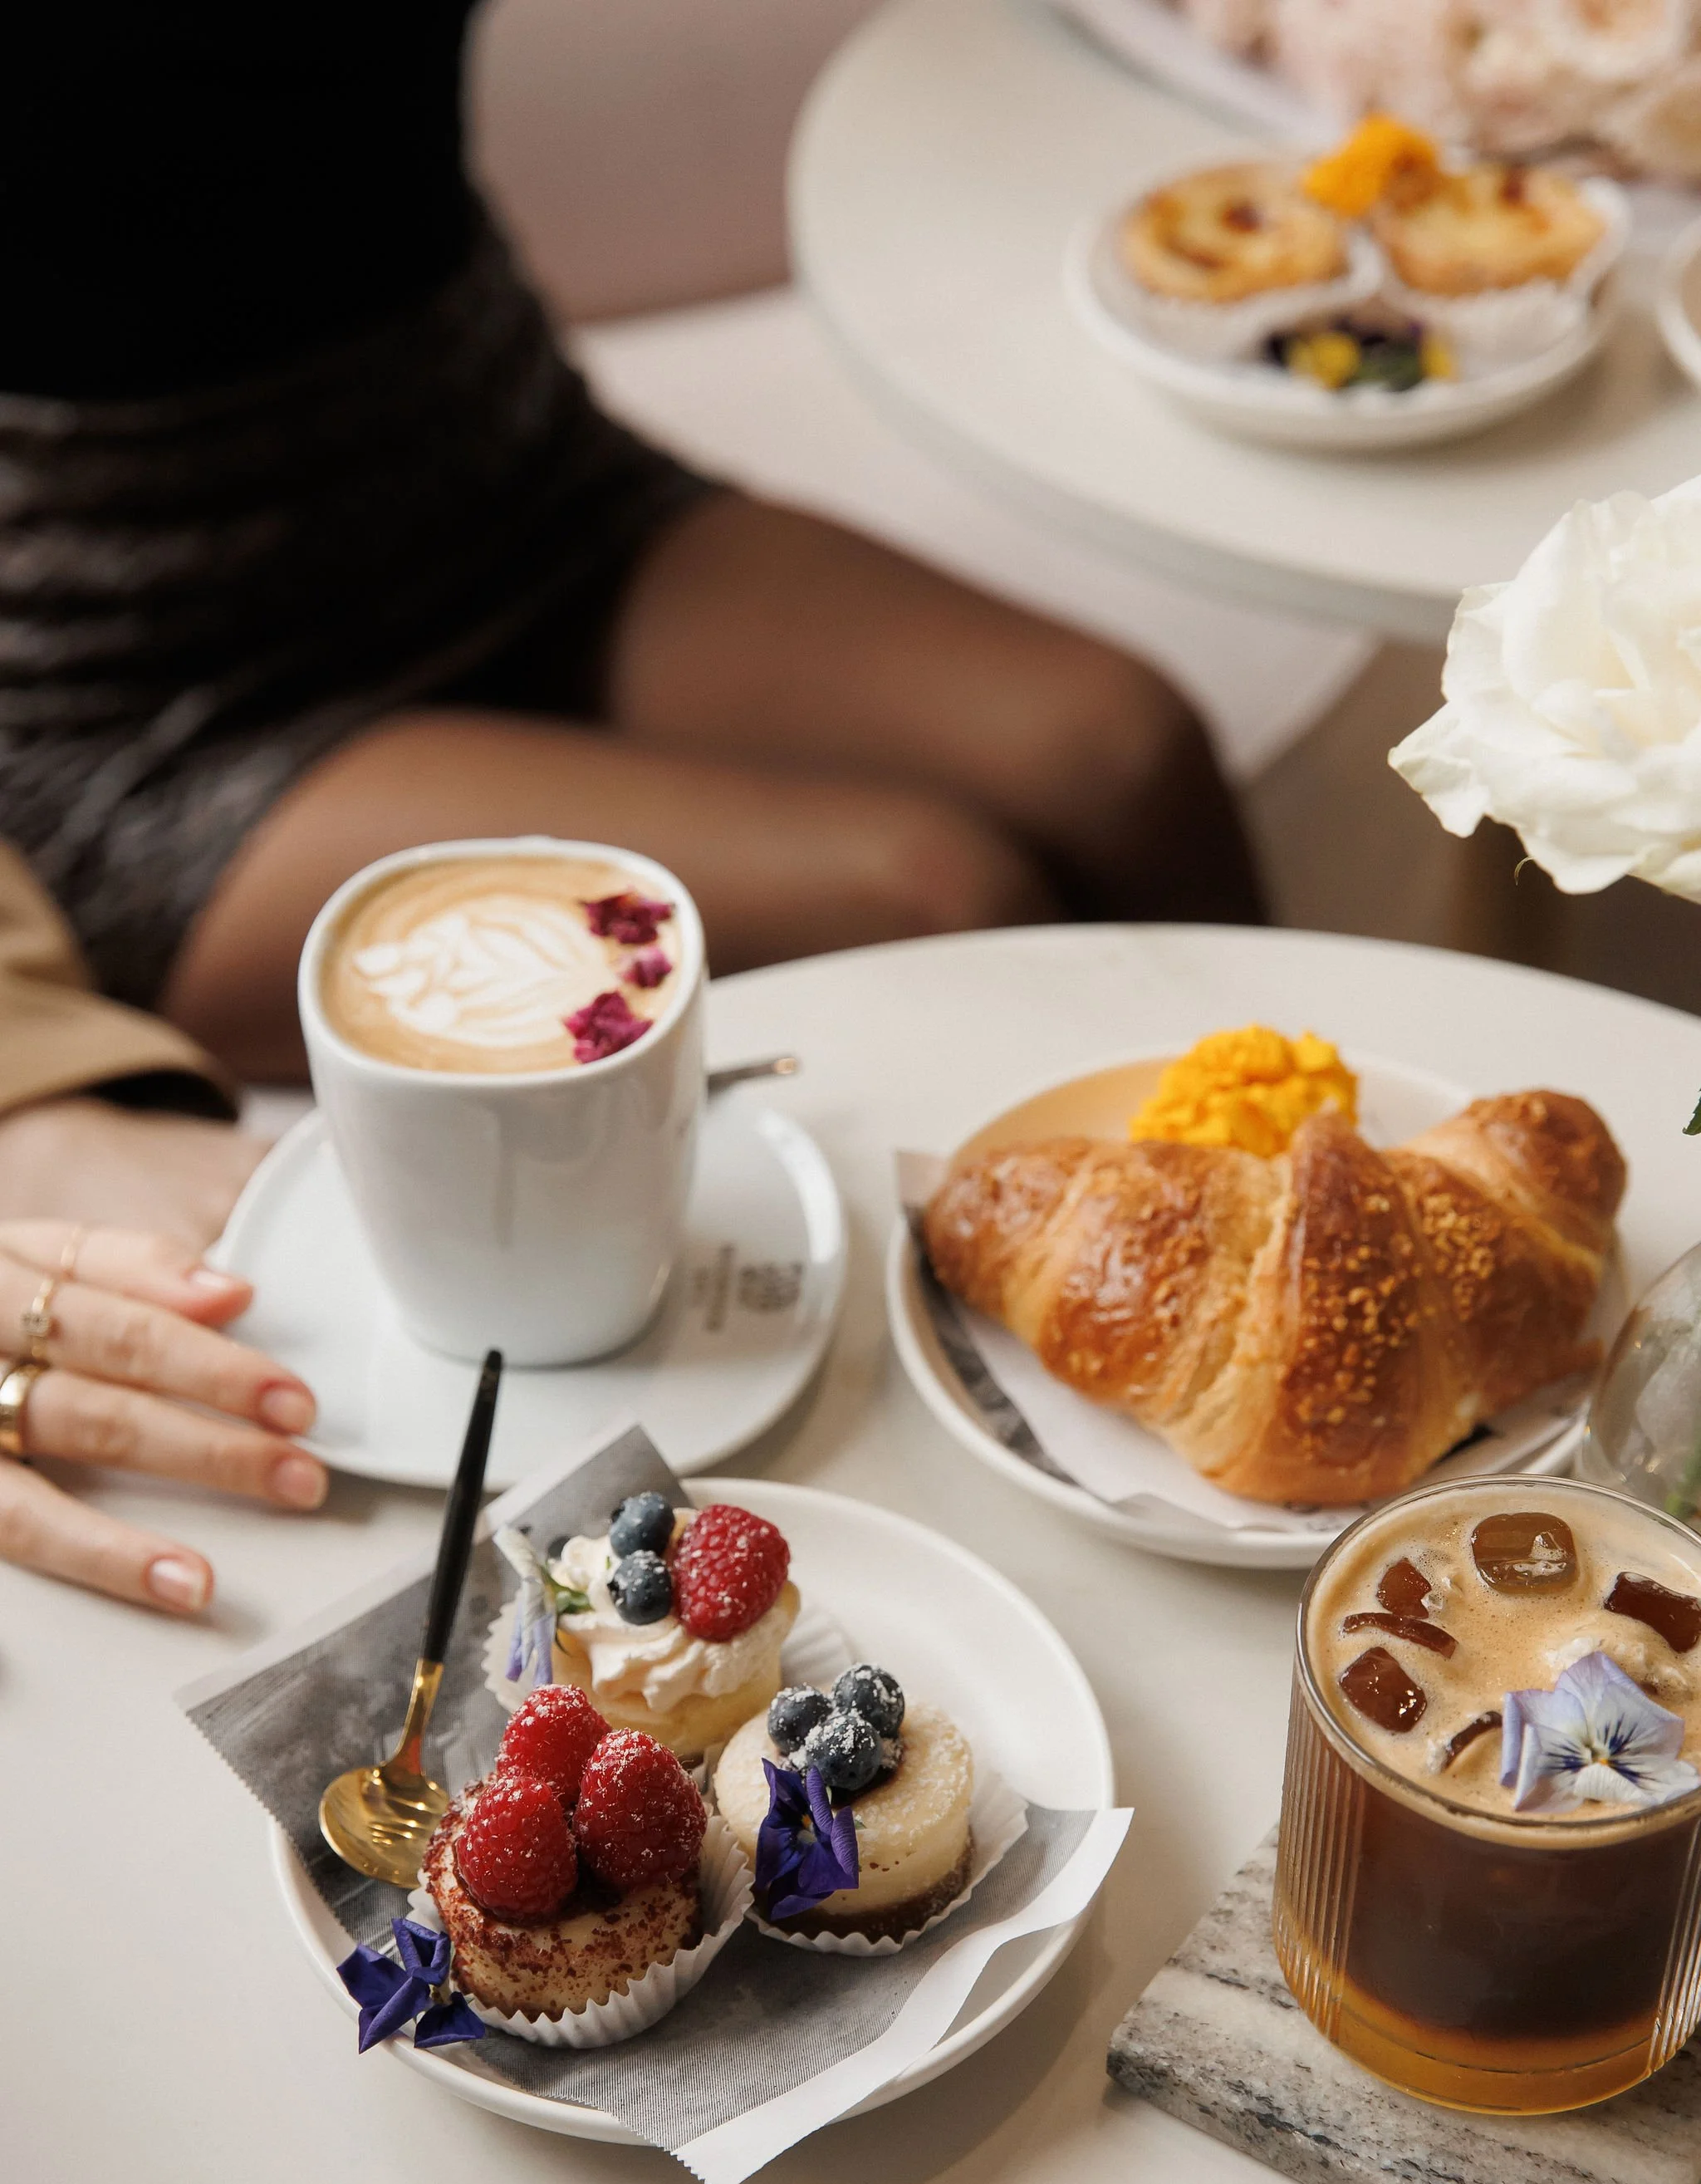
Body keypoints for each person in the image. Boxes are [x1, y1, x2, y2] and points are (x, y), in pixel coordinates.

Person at [0, 2, 1262, 1607]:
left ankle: (1295, 1351)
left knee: (1122, 748)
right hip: (110, 687)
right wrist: (25, 1084)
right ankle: (1048, 1554)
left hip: (494, 475)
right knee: (942, 888)